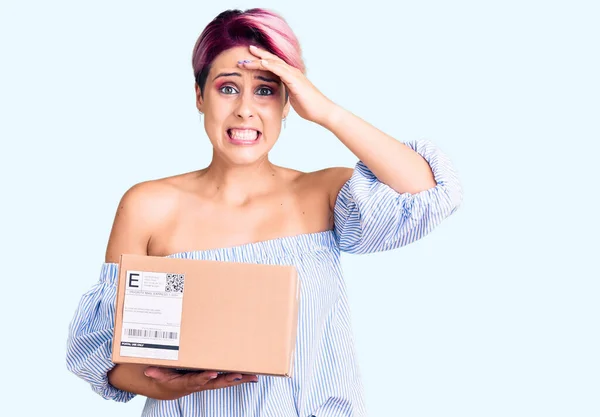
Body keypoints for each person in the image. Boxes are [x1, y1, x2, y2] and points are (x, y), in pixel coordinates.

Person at [66, 8, 463, 417]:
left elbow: (430, 194)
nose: (245, 110)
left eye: (266, 90)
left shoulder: (323, 193)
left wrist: (326, 111)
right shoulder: (148, 206)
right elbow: (104, 354)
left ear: (289, 101)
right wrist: (166, 387)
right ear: (199, 96)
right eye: (227, 88)